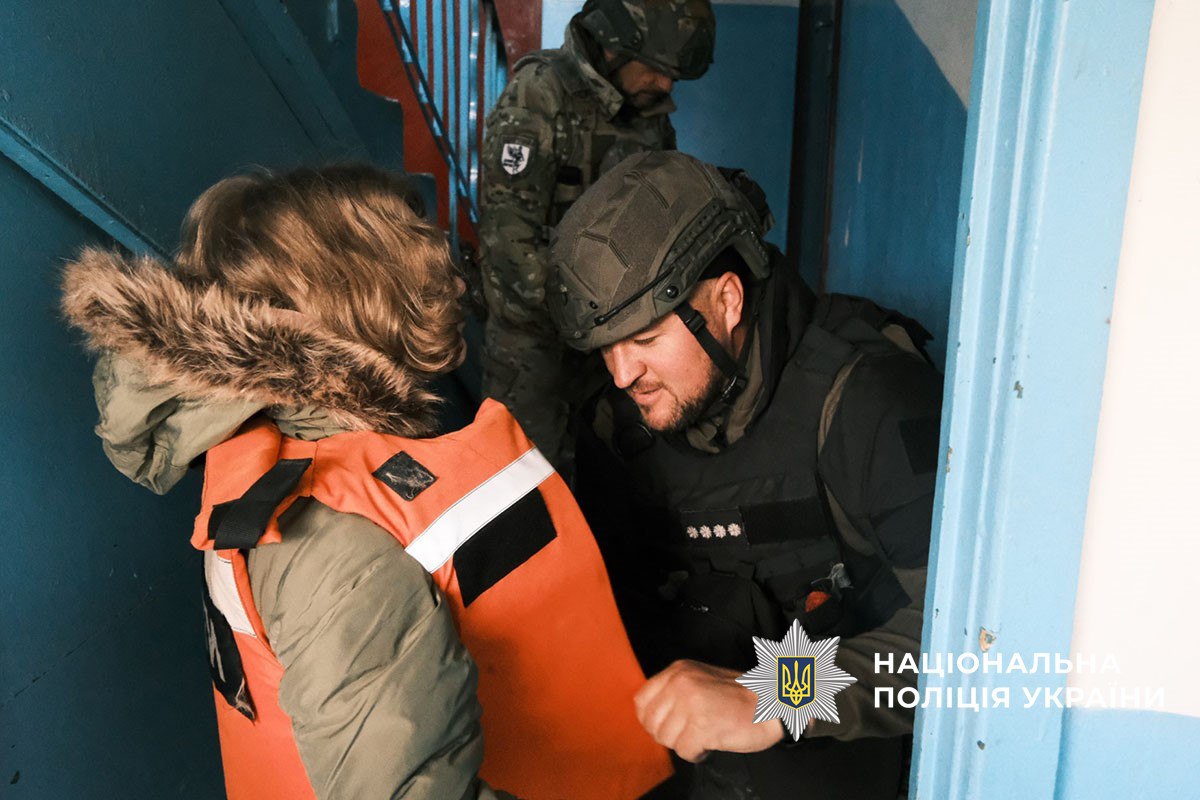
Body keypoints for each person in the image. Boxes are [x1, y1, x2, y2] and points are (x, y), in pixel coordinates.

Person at [60, 165, 671, 800]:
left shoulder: (273, 465)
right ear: (360, 295)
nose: (451, 285)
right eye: (416, 260)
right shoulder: (338, 546)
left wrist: (750, 702)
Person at [546, 151, 943, 799]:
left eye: (644, 339)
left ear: (727, 301)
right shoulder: (618, 426)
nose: (622, 375)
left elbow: (963, 646)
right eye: (605, 348)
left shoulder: (867, 399)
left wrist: (774, 693)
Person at [478, 0, 716, 469]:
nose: (665, 85)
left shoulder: (647, 112)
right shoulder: (540, 93)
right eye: (655, 68)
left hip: (611, 339)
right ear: (612, 47)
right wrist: (587, 318)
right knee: (526, 482)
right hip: (535, 344)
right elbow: (507, 239)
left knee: (611, 476)